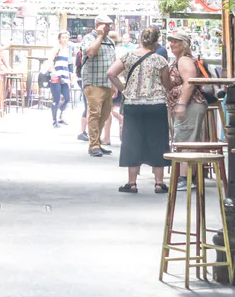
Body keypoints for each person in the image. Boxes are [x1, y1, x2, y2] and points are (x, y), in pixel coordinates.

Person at [107, 26, 172, 194]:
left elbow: (111, 73)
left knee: (132, 140)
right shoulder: (160, 60)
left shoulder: (128, 56)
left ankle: (132, 182)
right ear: (157, 41)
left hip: (133, 104)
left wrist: (124, 89)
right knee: (158, 140)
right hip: (156, 105)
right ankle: (159, 183)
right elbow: (167, 83)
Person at [168, 32, 209, 181]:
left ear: (184, 44)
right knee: (187, 140)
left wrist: (181, 104)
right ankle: (190, 177)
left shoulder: (184, 60)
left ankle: (185, 178)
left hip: (190, 105)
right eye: (171, 41)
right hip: (189, 105)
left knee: (185, 141)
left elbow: (189, 82)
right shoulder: (182, 59)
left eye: (176, 42)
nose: (172, 44)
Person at [81, 14, 116, 158]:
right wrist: (99, 36)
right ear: (98, 25)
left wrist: (114, 84)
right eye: (105, 25)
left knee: (105, 113)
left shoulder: (110, 41)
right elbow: (90, 52)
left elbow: (113, 62)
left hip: (107, 83)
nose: (108, 28)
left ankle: (98, 142)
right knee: (94, 114)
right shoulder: (89, 38)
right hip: (93, 82)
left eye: (109, 25)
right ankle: (93, 145)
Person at [48, 30, 74, 127]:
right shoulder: (56, 48)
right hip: (56, 75)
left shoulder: (68, 49)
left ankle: (60, 116)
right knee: (56, 99)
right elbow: (50, 60)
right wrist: (53, 72)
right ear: (59, 39)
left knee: (67, 98)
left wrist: (70, 76)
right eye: (63, 37)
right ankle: (54, 120)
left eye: (66, 37)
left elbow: (69, 63)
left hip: (65, 75)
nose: (65, 39)